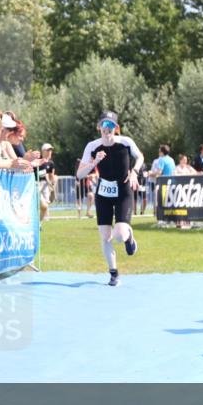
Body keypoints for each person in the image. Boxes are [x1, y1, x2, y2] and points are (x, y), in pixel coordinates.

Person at [75, 111, 144, 287]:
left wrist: (135, 171)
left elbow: (140, 156)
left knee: (119, 235)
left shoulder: (126, 142)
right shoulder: (92, 146)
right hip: (103, 194)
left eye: (111, 126)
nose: (107, 129)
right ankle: (114, 273)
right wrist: (94, 163)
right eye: (104, 125)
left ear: (116, 128)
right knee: (105, 236)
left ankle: (129, 238)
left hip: (123, 192)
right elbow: (79, 174)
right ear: (99, 128)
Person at [36, 143, 57, 222]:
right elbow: (34, 173)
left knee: (45, 204)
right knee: (38, 204)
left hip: (45, 185)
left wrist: (53, 187)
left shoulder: (51, 163)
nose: (50, 152)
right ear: (43, 151)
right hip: (36, 184)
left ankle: (40, 222)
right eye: (48, 150)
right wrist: (44, 174)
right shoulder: (38, 161)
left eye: (51, 150)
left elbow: (51, 175)